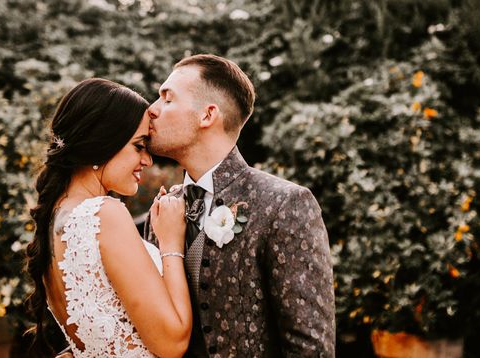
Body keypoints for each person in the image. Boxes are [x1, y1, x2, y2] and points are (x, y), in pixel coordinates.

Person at [145, 54, 336, 357]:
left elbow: (310, 348)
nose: (151, 111)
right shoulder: (162, 210)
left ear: (207, 116)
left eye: (167, 100)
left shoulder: (283, 204)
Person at [25, 78, 193, 358]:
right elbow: (172, 344)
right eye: (139, 146)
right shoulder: (104, 214)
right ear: (101, 145)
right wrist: (170, 244)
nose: (147, 160)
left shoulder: (56, 220)